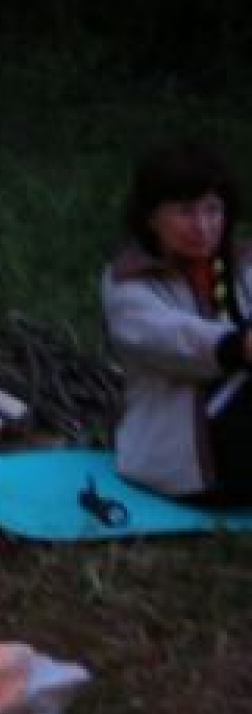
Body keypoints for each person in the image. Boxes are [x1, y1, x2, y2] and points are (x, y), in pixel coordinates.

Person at [101, 139, 252, 502]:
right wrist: (239, 344)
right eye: (185, 212)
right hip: (185, 457)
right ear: (152, 217)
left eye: (213, 210)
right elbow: (179, 341)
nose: (202, 226)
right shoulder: (128, 284)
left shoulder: (242, 262)